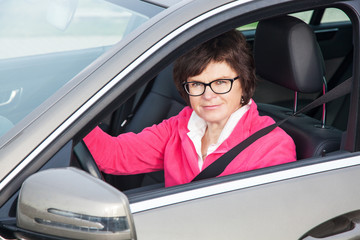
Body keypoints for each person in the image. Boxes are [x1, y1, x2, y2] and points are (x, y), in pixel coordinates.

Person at [84, 30, 296, 187]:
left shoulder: (272, 147)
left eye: (221, 82)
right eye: (196, 84)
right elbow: (113, 155)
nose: (208, 95)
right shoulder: (180, 126)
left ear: (244, 83)